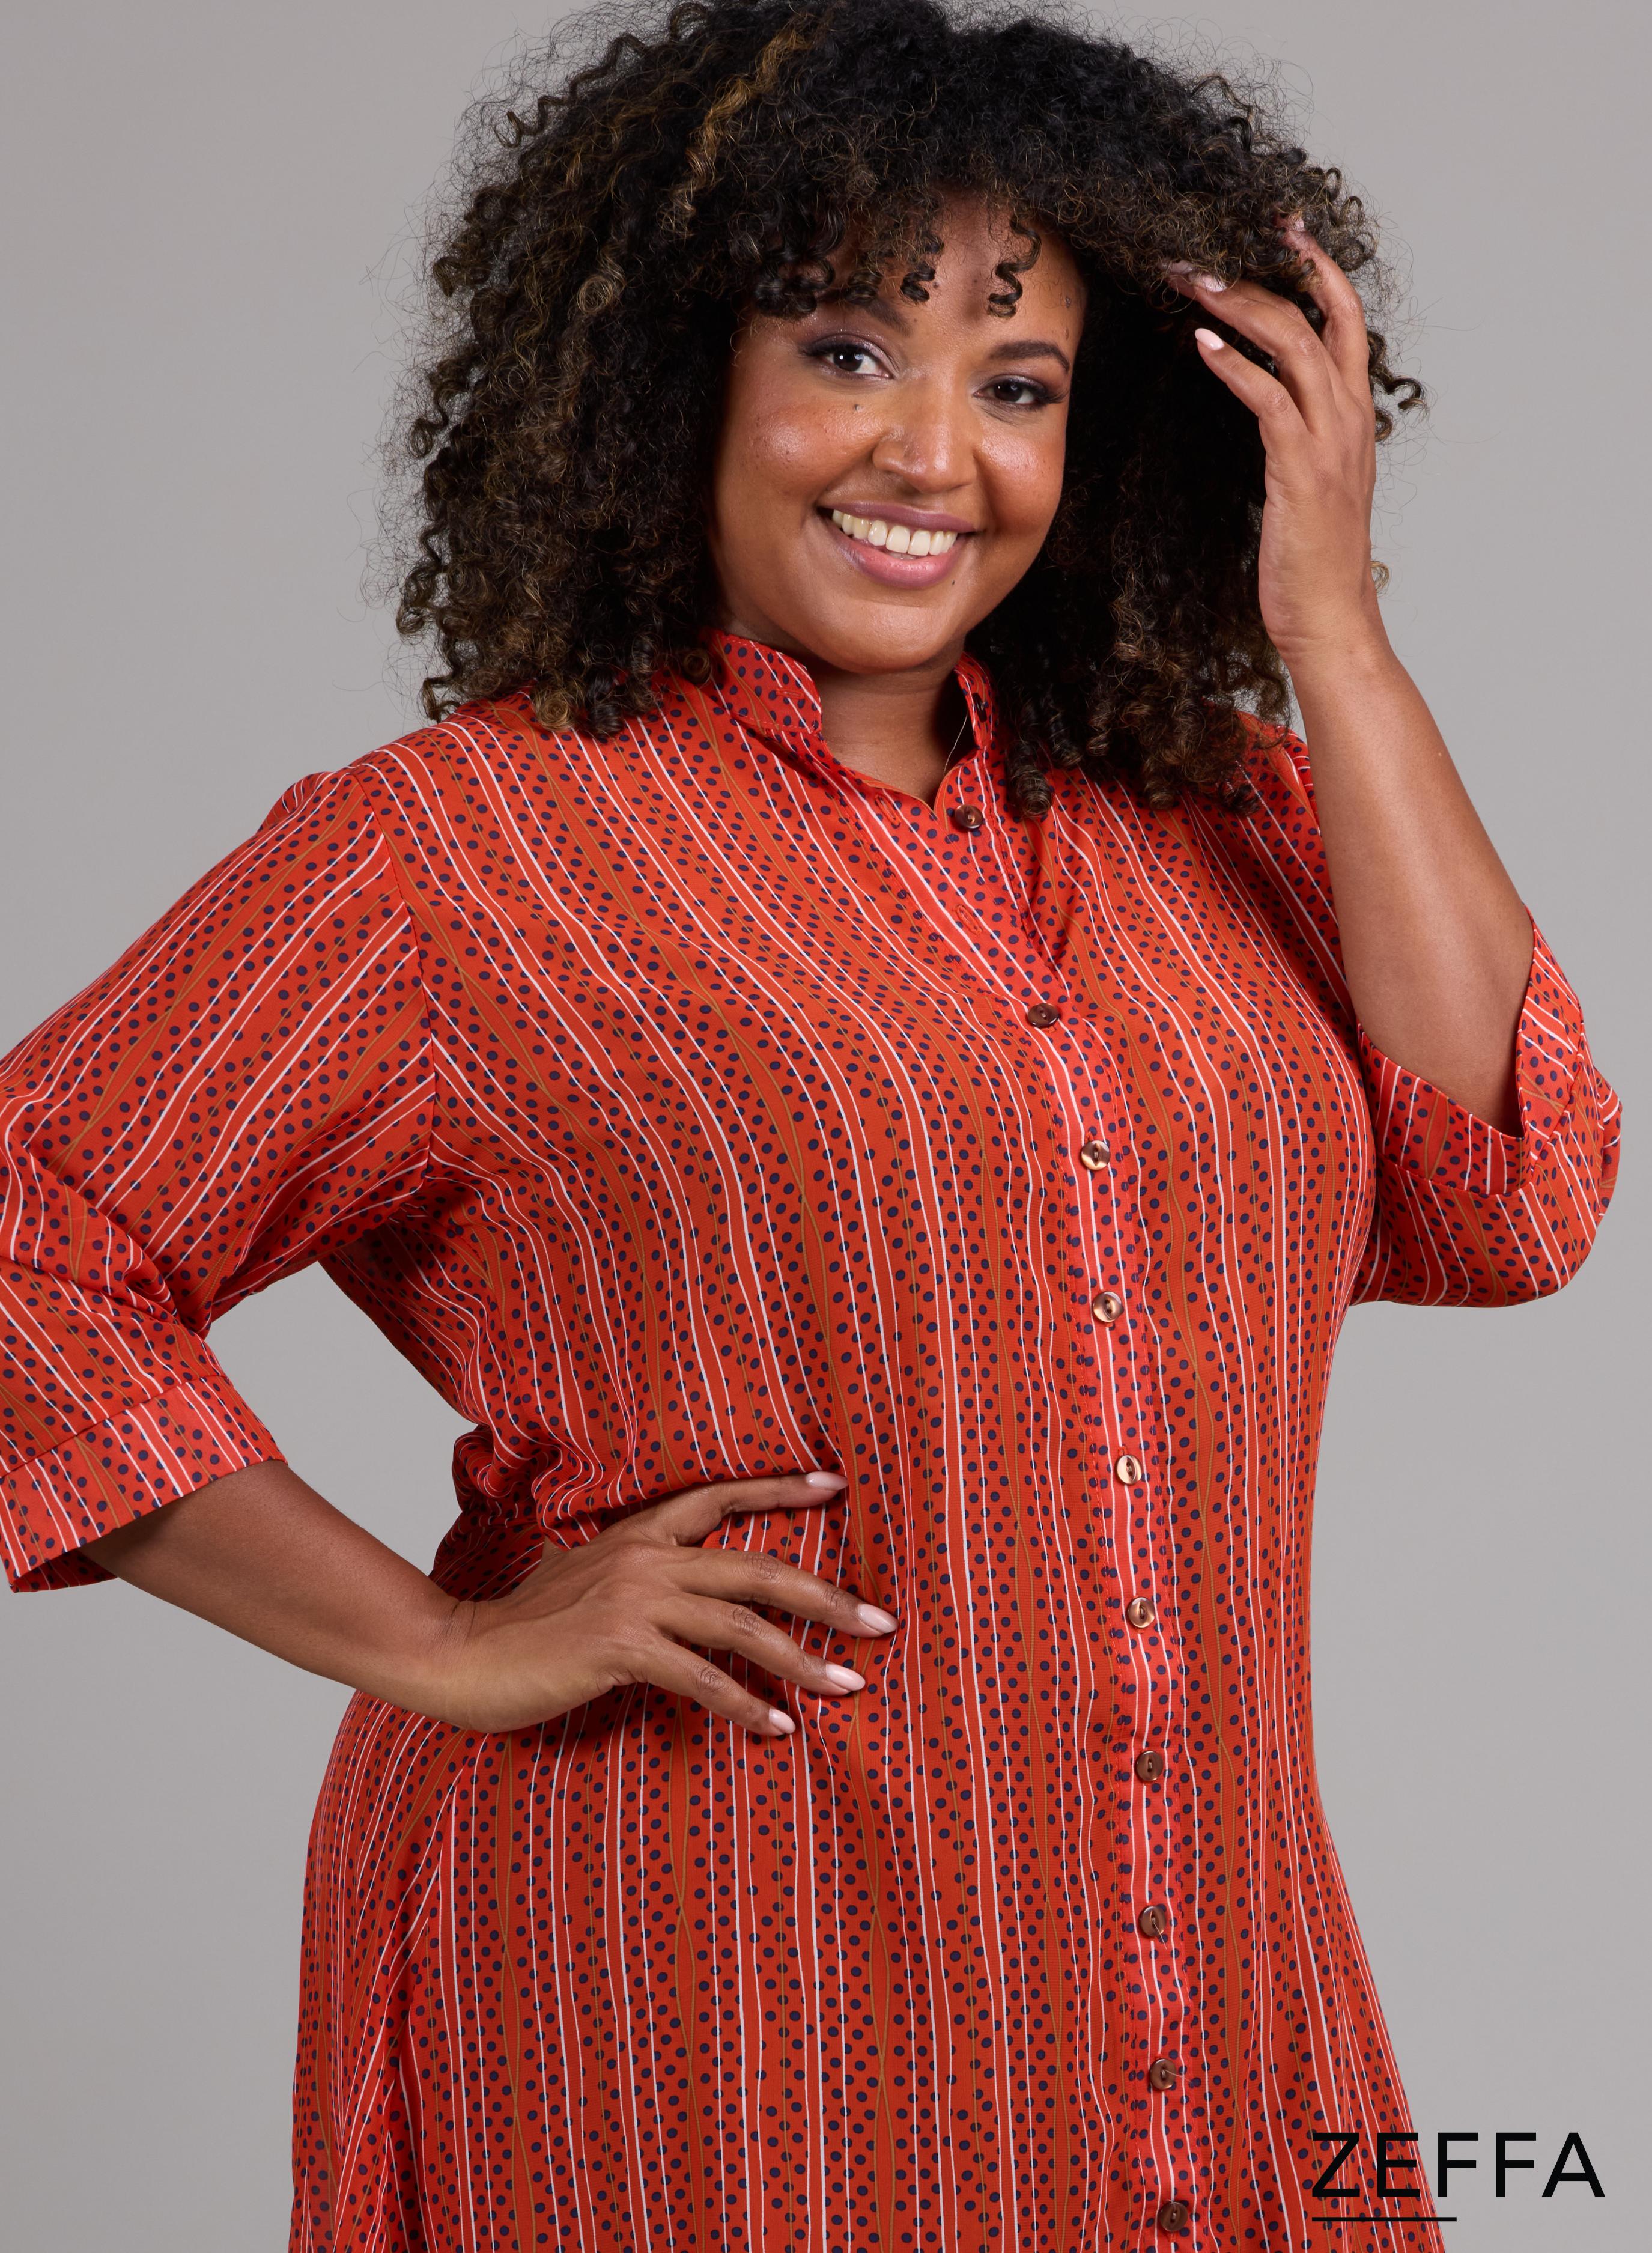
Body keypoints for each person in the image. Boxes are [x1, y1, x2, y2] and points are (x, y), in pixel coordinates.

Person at [0, 1, 1619, 2245]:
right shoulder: (462, 854)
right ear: (681, 373)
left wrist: (1330, 630)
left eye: (1019, 383)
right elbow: (28, 1242)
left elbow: (1506, 1192)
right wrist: (448, 1646)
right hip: (708, 2009)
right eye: (850, 351)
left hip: (1191, 1990)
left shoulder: (1213, 818)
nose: (933, 453)